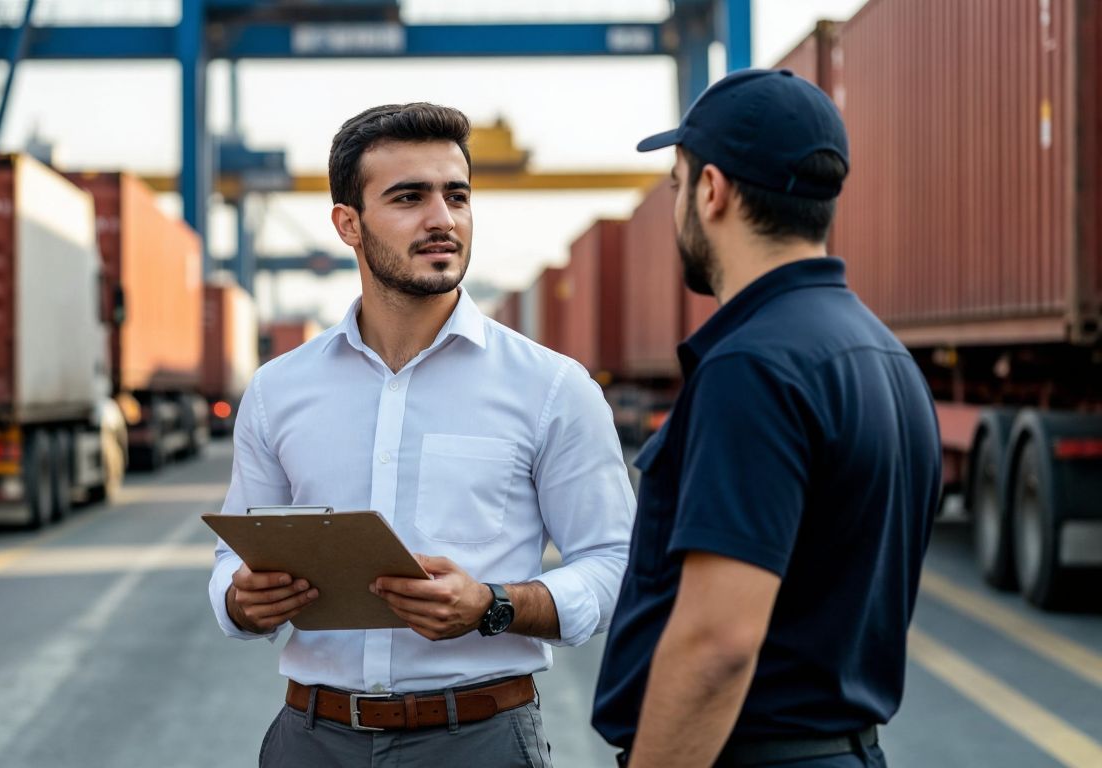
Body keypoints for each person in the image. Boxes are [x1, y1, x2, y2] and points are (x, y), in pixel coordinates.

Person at [208, 102, 636, 767]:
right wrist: (242, 600)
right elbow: (232, 559)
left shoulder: (552, 387)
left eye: (456, 197)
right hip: (311, 739)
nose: (442, 219)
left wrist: (493, 606)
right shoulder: (279, 390)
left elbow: (618, 564)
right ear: (347, 224)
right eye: (409, 197)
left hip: (480, 739)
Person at [592, 69, 942, 768]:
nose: (677, 206)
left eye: (676, 185)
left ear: (712, 191)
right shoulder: (883, 355)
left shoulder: (750, 367)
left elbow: (717, 643)